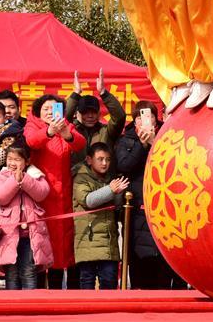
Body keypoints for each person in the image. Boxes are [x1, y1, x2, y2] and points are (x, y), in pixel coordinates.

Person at [115, 100, 185, 289]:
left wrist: (155, 143)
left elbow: (176, 163)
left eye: (149, 116)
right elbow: (124, 166)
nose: (144, 120)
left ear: (156, 119)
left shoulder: (168, 136)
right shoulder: (126, 139)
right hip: (136, 207)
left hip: (165, 204)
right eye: (139, 117)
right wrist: (141, 145)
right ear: (134, 121)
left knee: (164, 257)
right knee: (139, 258)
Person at [24, 94, 85, 289]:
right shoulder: (33, 125)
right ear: (38, 112)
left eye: (53, 109)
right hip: (41, 195)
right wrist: (49, 131)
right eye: (45, 109)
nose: (50, 112)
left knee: (64, 248)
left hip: (64, 195)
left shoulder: (66, 125)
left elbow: (80, 143)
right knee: (42, 247)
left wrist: (67, 134)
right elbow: (32, 142)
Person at [0, 144, 53, 290]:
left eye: (17, 159)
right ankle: (12, 308)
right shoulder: (0, 176)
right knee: (11, 273)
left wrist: (24, 180)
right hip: (9, 235)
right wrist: (14, 181)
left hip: (31, 235)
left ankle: (31, 307)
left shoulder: (35, 175)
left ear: (27, 161)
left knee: (29, 271)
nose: (12, 163)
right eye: (9, 159)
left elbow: (42, 193)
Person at [73, 142, 129, 290]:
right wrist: (111, 190)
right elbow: (88, 200)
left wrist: (119, 194)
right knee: (87, 282)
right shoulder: (81, 178)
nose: (105, 163)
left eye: (108, 159)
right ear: (89, 160)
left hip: (108, 242)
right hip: (87, 241)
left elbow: (116, 207)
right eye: (100, 159)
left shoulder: (111, 179)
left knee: (110, 282)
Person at [65, 70, 126, 175]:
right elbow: (63, 118)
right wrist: (76, 93)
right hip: (76, 181)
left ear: (99, 113)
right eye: (85, 112)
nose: (90, 116)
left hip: (104, 183)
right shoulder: (70, 130)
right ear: (77, 113)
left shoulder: (106, 131)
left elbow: (119, 117)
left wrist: (103, 93)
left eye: (93, 112)